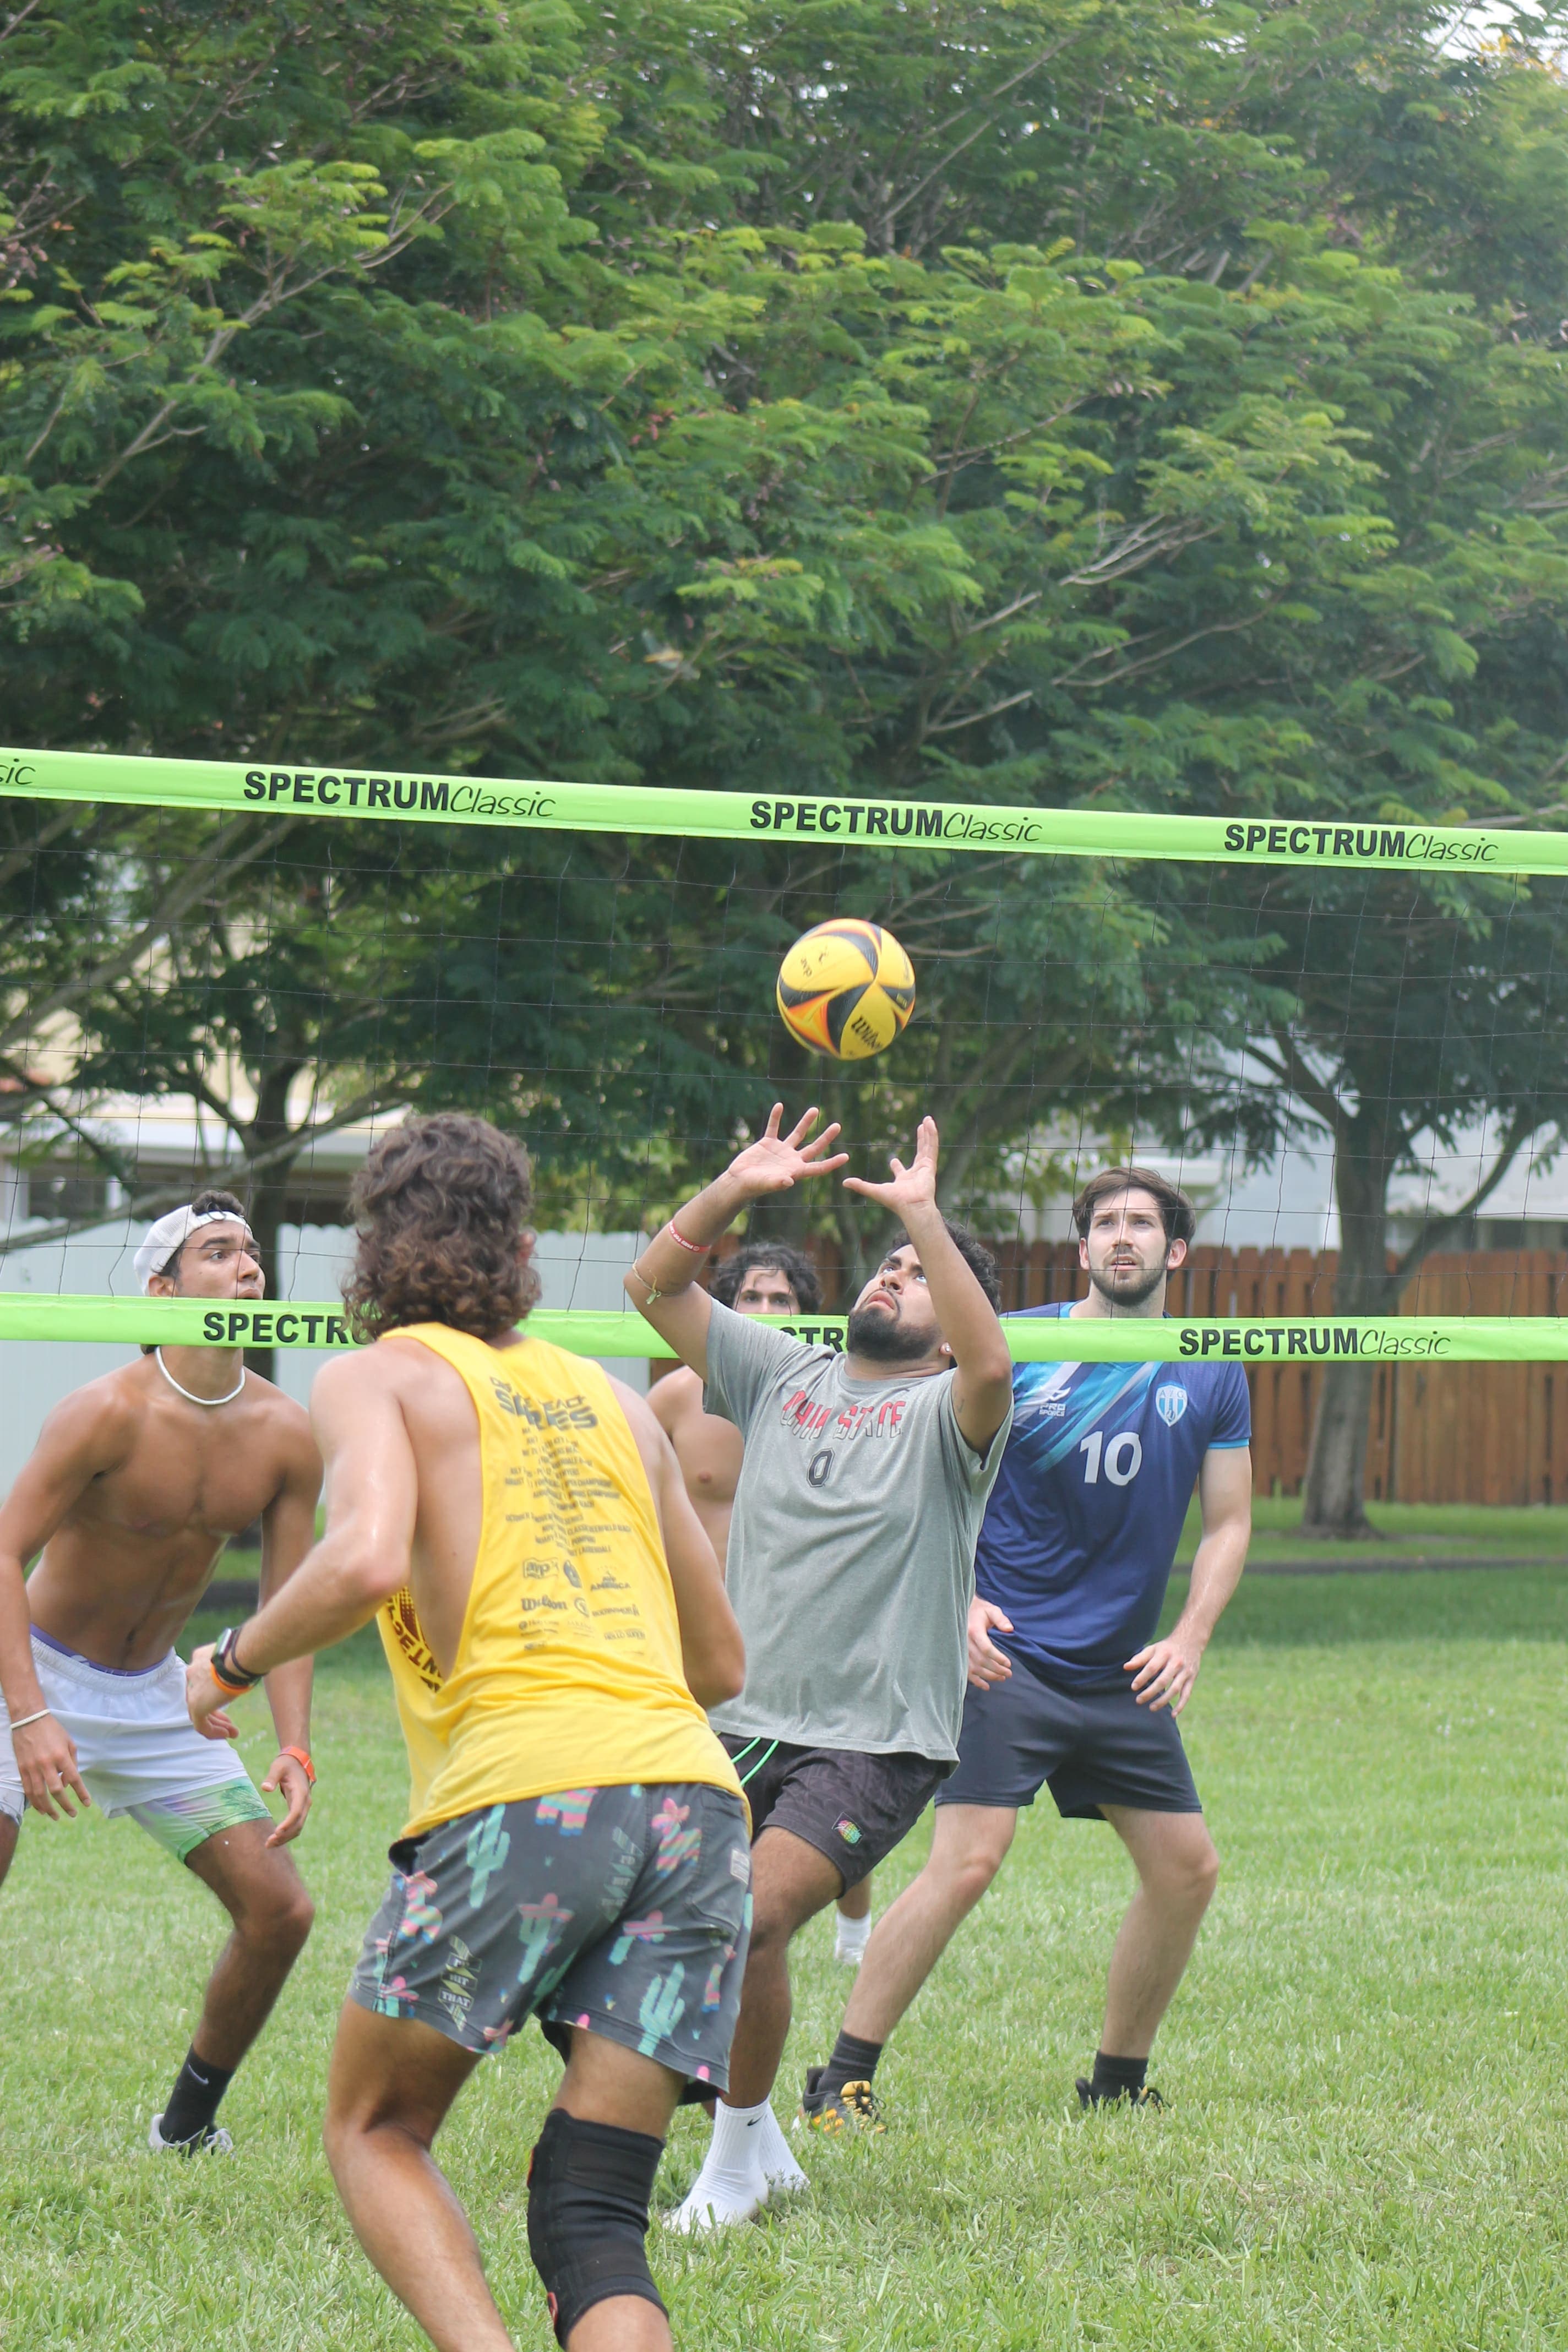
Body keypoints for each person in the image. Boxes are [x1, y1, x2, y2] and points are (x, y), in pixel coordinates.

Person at [187, 1113, 750, 2352]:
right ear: (523, 1243)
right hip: (696, 1803)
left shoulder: (375, 1373)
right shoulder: (614, 1399)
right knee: (595, 2209)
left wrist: (225, 1665)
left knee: (374, 2129)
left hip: (528, 1797)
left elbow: (366, 1553)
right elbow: (719, 1664)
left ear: (375, 1244)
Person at [625, 1104, 1014, 2227]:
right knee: (685, 1929)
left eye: (916, 1276)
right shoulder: (779, 1374)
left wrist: (922, 1216)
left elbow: (989, 1356)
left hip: (875, 1737)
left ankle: (734, 2170)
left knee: (746, 1920)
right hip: (739, 1719)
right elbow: (651, 1291)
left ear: (946, 1326)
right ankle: (756, 2142)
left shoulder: (952, 1412)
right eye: (884, 1265)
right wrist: (731, 1191)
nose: (890, 1279)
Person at [811, 1165, 1251, 2124]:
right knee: (969, 1858)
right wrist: (960, 1602)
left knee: (1187, 1869)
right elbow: (934, 1477)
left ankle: (1116, 2085)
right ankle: (840, 2078)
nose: (1122, 1238)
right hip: (1008, 1650)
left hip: (1120, 1669)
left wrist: (1191, 1635)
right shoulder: (1020, 1347)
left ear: (1175, 1251)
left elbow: (1228, 1524)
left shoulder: (1212, 1363)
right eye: (1105, 1225)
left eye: (1142, 1224)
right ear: (1082, 1247)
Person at [0, 1190, 321, 2153]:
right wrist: (27, 1715)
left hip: (154, 1701)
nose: (247, 1268)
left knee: (282, 1911)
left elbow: (294, 1601)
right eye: (219, 1252)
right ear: (163, 1288)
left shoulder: (287, 1433)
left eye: (252, 1254)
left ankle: (184, 2128)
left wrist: (295, 1740)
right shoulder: (103, 1412)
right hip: (34, 1676)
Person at [650, 1240, 875, 1969]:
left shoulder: (835, 1401)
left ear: (811, 1316)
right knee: (704, 1792)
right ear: (724, 1307)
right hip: (701, 1634)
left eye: (784, 1300)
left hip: (804, 1626)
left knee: (831, 1780)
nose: (768, 1312)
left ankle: (854, 1933)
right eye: (753, 1297)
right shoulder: (676, 1399)